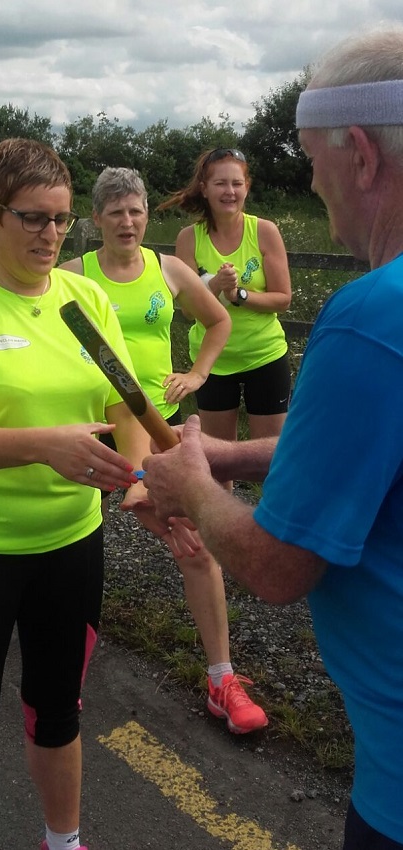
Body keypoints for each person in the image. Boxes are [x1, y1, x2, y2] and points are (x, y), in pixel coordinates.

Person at [0, 138, 196, 850]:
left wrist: (138, 480)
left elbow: (122, 402)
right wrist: (41, 443)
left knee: (59, 713)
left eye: (62, 220)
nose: (51, 235)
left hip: (68, 543)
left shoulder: (82, 295)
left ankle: (63, 844)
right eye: (32, 218)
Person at [142, 26, 403, 850]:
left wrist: (193, 489)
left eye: (314, 166)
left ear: (359, 154)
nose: (316, 189)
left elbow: (278, 566)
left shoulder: (371, 319)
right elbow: (368, 462)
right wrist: (227, 456)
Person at [60, 166, 269, 734]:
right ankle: (57, 680)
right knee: (64, 549)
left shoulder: (169, 269)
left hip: (161, 426)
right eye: (115, 212)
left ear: (147, 215)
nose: (126, 222)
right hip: (90, 429)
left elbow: (219, 319)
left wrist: (197, 373)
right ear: (96, 219)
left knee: (196, 547)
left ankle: (222, 680)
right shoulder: (71, 276)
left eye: (135, 211)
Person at [158, 146, 292, 467]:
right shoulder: (189, 239)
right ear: (204, 189)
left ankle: (268, 518)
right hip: (212, 362)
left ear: (247, 187)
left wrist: (239, 296)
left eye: (236, 183)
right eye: (220, 183)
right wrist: (213, 288)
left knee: (271, 461)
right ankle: (220, 516)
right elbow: (189, 311)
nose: (229, 191)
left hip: (265, 356)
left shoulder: (264, 231)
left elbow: (283, 299)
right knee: (218, 462)